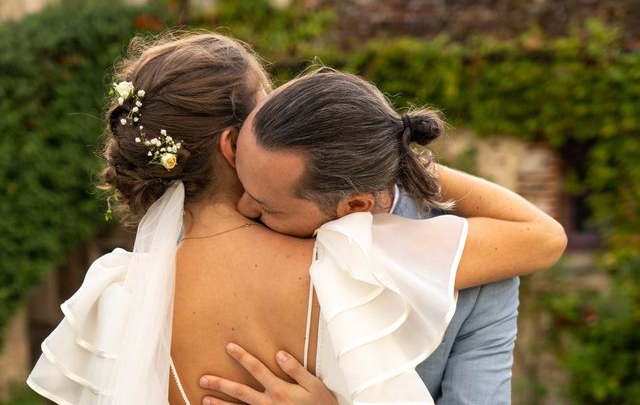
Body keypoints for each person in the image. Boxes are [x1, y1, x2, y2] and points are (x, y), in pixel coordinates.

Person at [25, 33, 566, 405]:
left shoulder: (114, 301)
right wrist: (387, 157)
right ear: (234, 143)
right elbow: (537, 236)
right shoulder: (351, 260)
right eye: (271, 100)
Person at [198, 70, 566, 405]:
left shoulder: (481, 277)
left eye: (268, 208)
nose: (243, 209)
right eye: (241, 181)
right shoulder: (227, 244)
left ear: (355, 205)